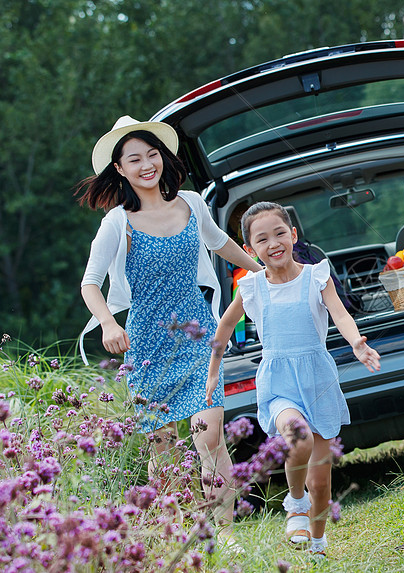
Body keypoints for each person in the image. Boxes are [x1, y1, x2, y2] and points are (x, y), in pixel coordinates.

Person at [77, 115, 263, 548]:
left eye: (152, 154)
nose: (147, 164)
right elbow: (90, 282)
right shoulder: (116, 223)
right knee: (163, 443)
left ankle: (226, 534)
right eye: (135, 159)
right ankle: (172, 531)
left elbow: (220, 243)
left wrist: (265, 271)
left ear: (163, 157)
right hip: (146, 341)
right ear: (120, 169)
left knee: (210, 433)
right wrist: (107, 321)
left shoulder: (192, 204)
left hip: (198, 334)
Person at [206, 201, 381, 557]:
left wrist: (357, 343)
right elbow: (223, 328)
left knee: (321, 482)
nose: (274, 243)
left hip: (318, 380)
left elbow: (341, 314)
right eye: (262, 239)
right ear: (250, 250)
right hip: (278, 382)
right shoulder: (252, 287)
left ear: (293, 235)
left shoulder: (317, 276)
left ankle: (317, 542)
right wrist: (212, 373)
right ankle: (295, 502)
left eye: (280, 233)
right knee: (296, 438)